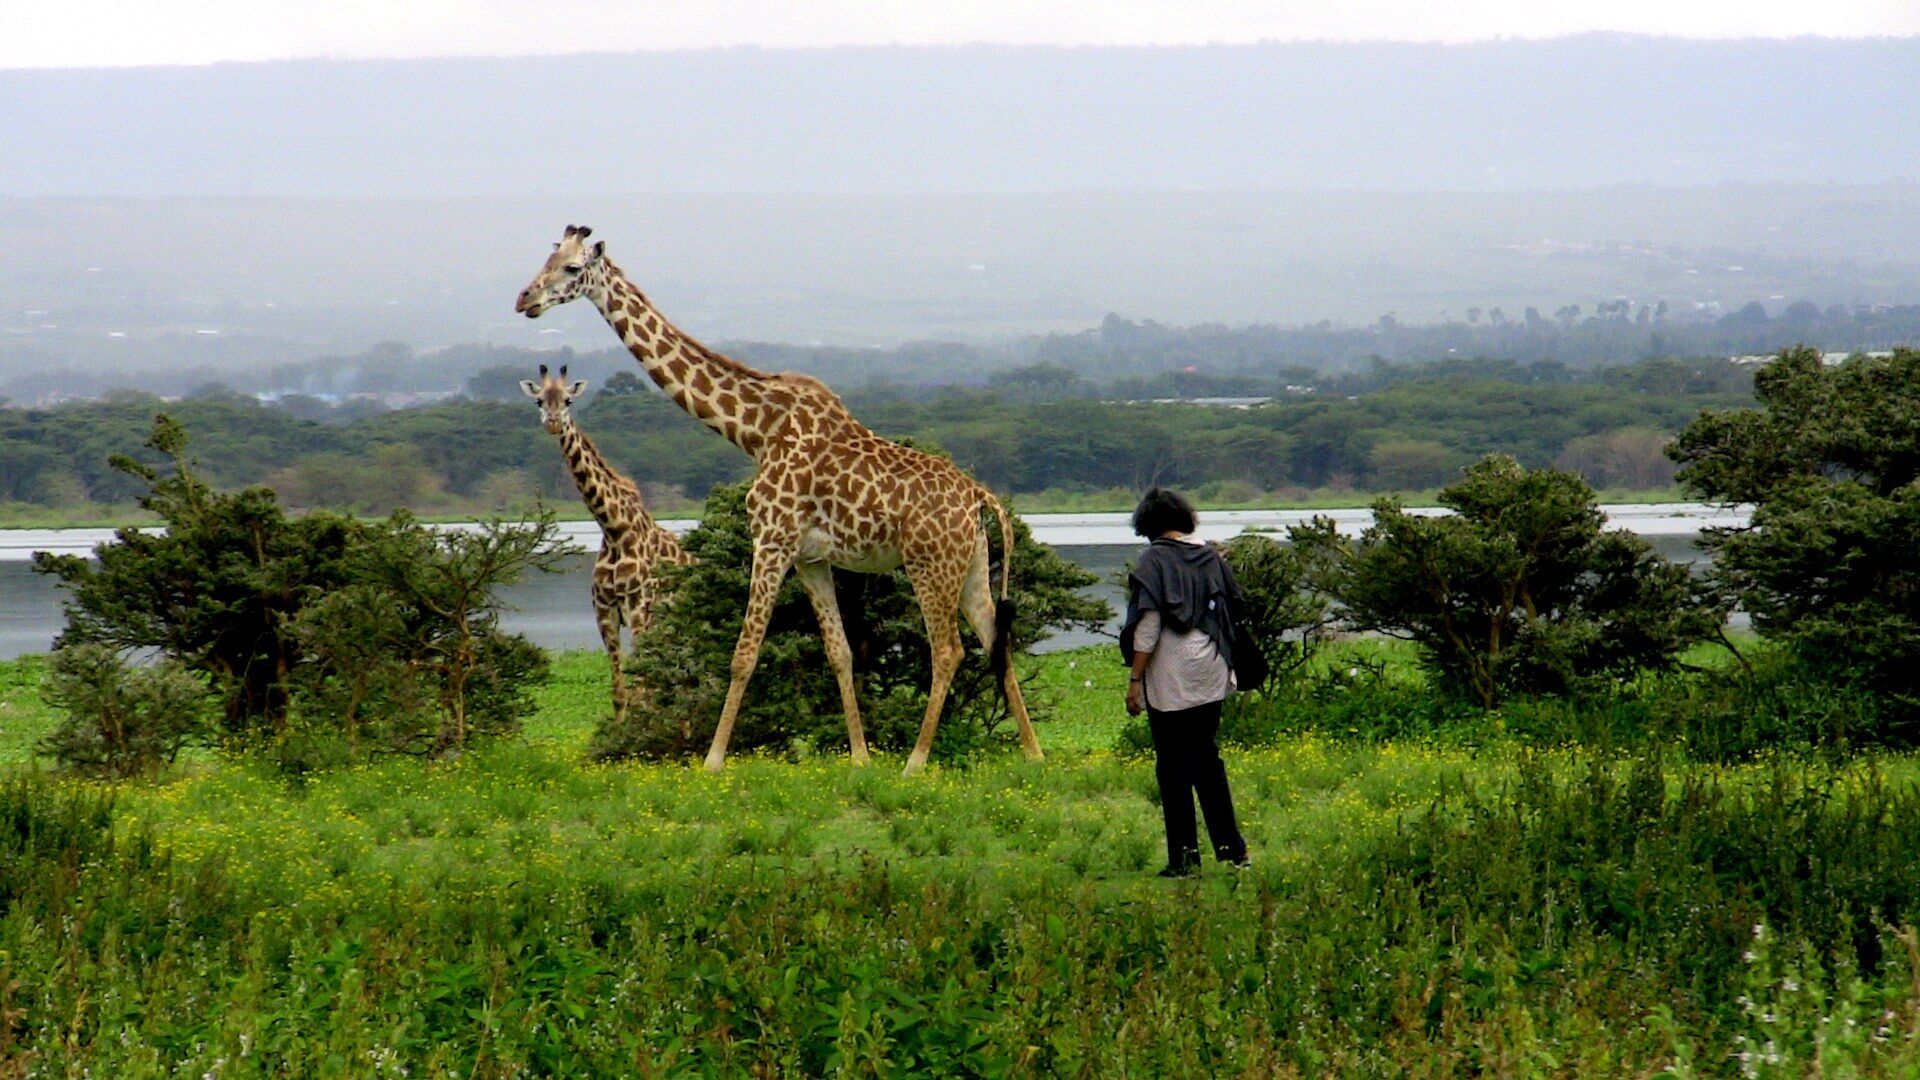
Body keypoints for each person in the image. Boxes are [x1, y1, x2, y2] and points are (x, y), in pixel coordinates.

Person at [1119, 487, 1250, 877]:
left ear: (1147, 523)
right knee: (1206, 759)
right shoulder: (1210, 555)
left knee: (1172, 767)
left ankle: (1184, 860)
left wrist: (1134, 680)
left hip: (1172, 677)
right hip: (1212, 669)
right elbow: (1235, 607)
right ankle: (1233, 852)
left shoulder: (1153, 562)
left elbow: (1148, 628)